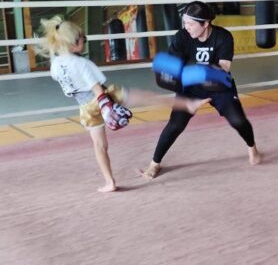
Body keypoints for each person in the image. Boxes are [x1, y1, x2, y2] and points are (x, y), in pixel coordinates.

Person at [38, 15, 196, 194]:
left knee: (99, 146)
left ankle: (109, 182)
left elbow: (67, 87)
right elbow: (97, 89)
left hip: (85, 108)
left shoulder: (55, 65)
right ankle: (187, 105)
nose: (84, 40)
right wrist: (108, 108)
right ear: (73, 43)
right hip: (103, 98)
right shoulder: (82, 64)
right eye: (82, 38)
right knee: (144, 97)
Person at [141, 1, 261, 179]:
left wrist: (201, 73)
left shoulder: (223, 37)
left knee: (238, 120)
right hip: (190, 86)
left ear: (205, 23)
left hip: (218, 85)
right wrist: (174, 76)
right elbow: (173, 68)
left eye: (190, 24)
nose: (186, 27)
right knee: (175, 124)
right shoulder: (182, 36)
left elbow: (224, 67)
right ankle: (154, 163)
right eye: (184, 23)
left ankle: (252, 147)